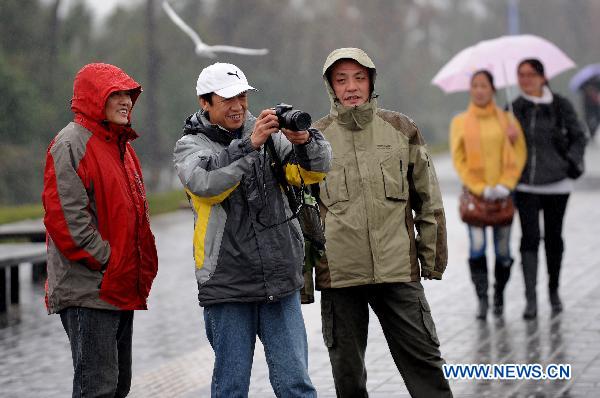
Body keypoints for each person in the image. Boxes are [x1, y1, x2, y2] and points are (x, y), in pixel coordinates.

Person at [172, 62, 331, 397]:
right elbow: (207, 184)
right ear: (205, 102)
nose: (238, 106)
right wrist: (249, 145)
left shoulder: (268, 137)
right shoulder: (190, 146)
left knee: (295, 384)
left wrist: (304, 141)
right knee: (230, 388)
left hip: (279, 277)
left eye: (242, 96)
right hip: (227, 282)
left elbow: (313, 173)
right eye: (227, 98)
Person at [312, 47, 452, 397]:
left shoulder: (402, 129)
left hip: (397, 271)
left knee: (426, 367)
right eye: (342, 80)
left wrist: (432, 258)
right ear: (331, 86)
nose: (352, 87)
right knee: (348, 378)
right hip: (340, 276)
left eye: (359, 77)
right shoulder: (314, 139)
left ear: (372, 81)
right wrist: (302, 278)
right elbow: (302, 214)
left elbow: (428, 199)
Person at [42, 63, 159, 397]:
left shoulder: (122, 148)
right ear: (94, 98)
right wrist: (112, 261)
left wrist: (132, 267)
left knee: (117, 386)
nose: (126, 101)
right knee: (97, 388)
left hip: (119, 286)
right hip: (89, 290)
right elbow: (68, 223)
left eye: (128, 94)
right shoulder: (70, 144)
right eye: (115, 94)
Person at [512, 58, 587, 319]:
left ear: (543, 77)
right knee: (529, 239)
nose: (525, 79)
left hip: (558, 183)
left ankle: (553, 290)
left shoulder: (560, 105)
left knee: (554, 239)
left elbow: (580, 136)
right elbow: (499, 146)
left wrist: (570, 162)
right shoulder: (513, 109)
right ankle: (531, 299)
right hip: (525, 185)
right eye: (521, 75)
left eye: (531, 74)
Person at [450, 70, 527, 320]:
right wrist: (480, 187)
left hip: (503, 195)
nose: (479, 90)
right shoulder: (460, 122)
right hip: (476, 196)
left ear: (493, 89)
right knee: (478, 247)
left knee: (503, 251)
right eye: (475, 85)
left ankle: (499, 295)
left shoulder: (508, 120)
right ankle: (482, 298)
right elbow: (459, 159)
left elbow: (520, 155)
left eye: (484, 85)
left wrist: (506, 184)